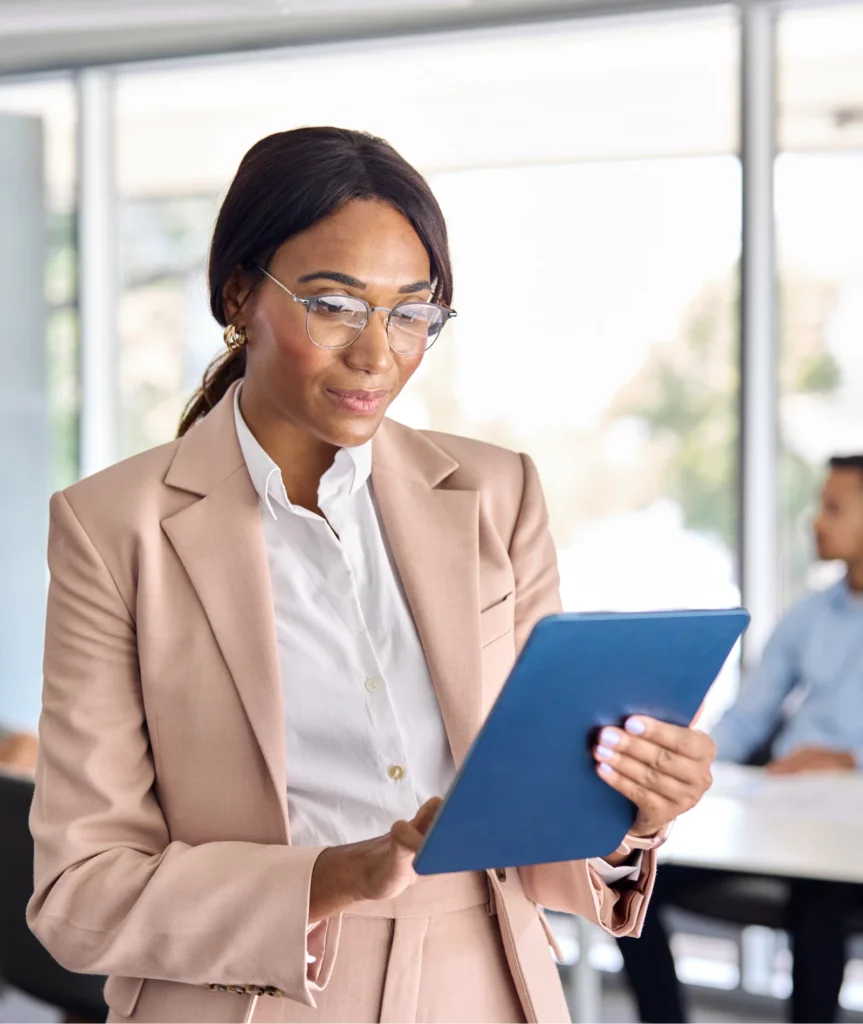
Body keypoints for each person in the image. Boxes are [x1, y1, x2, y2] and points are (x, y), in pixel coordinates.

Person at [27, 127, 715, 1024]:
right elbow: (81, 895)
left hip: (490, 983)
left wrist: (633, 812)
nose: (378, 353)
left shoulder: (495, 493)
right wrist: (333, 875)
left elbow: (541, 825)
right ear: (238, 293)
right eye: (334, 304)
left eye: (411, 312)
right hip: (254, 995)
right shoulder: (114, 529)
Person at [618, 453, 863, 1024]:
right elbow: (748, 720)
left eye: (834, 508)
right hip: (787, 815)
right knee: (635, 881)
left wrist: (848, 758)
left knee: (819, 904)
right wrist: (692, 762)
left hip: (848, 839)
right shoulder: (809, 617)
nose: (815, 522)